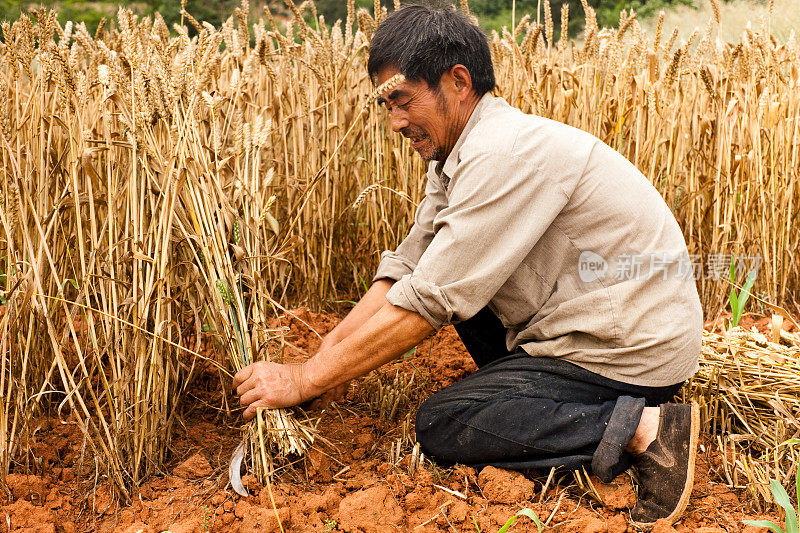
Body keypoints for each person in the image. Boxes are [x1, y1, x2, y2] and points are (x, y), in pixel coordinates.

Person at [232, 1, 703, 526]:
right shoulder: (458, 152)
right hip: (588, 323)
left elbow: (429, 301)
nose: (395, 122)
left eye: (404, 100)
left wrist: (303, 380)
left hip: (627, 352)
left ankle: (648, 429)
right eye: (386, 105)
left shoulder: (502, 155)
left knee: (444, 422)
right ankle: (543, 406)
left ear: (458, 82)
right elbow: (412, 265)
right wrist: (330, 351)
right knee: (455, 289)